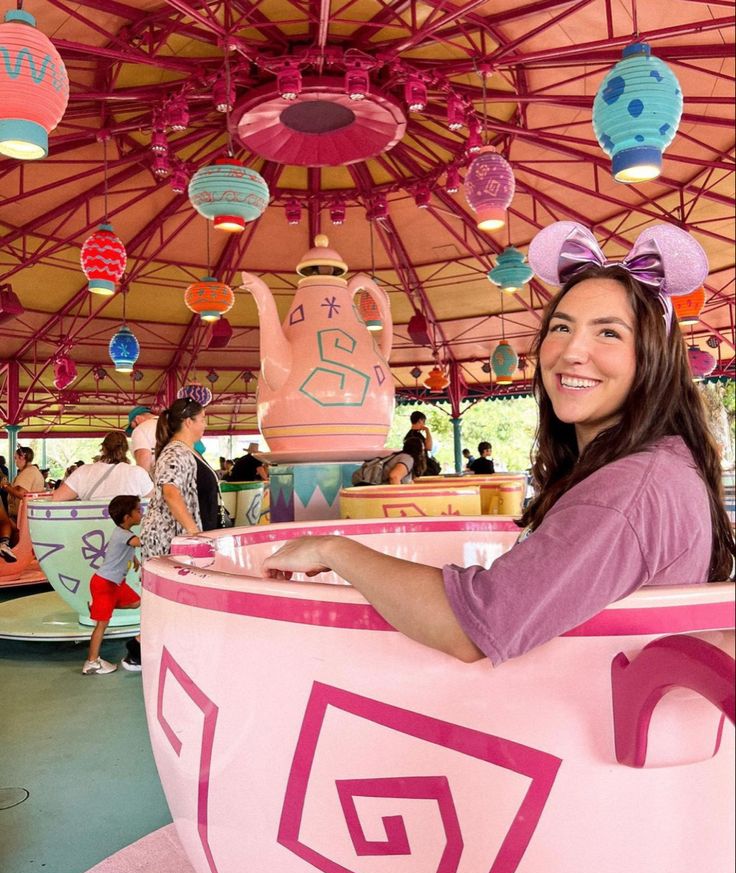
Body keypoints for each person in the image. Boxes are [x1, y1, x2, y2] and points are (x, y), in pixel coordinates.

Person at [260, 221, 734, 666]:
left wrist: (332, 549)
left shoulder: (628, 490)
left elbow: (471, 627)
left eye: (608, 332)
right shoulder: (657, 466)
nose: (572, 351)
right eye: (561, 327)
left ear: (653, 358)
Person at [139, 397, 210, 562]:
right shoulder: (175, 452)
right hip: (170, 539)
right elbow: (170, 492)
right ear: (188, 422)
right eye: (202, 419)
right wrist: (194, 533)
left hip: (178, 538)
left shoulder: (184, 451)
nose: (205, 425)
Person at [82, 496, 142, 676]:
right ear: (127, 517)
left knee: (135, 602)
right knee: (102, 624)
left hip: (114, 583)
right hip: (105, 583)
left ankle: (99, 607)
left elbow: (122, 550)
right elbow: (140, 542)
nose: (142, 513)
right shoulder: (125, 535)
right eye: (138, 511)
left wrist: (134, 559)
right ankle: (92, 662)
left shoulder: (121, 533)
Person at [51, 432, 153, 502]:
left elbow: (57, 497)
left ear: (103, 448)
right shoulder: (138, 473)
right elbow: (154, 500)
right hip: (128, 531)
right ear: (126, 450)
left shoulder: (83, 472)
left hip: (90, 530)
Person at [0, 447, 45, 545]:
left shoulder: (29, 472)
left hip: (22, 518)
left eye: (16, 458)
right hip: (24, 517)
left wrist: (5, 486)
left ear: (22, 457)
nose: (15, 461)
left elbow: (22, 493)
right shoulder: (30, 471)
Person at [126, 406, 159, 474]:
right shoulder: (171, 424)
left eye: (134, 426)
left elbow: (143, 466)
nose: (134, 429)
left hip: (159, 480)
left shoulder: (140, 429)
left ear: (137, 418)